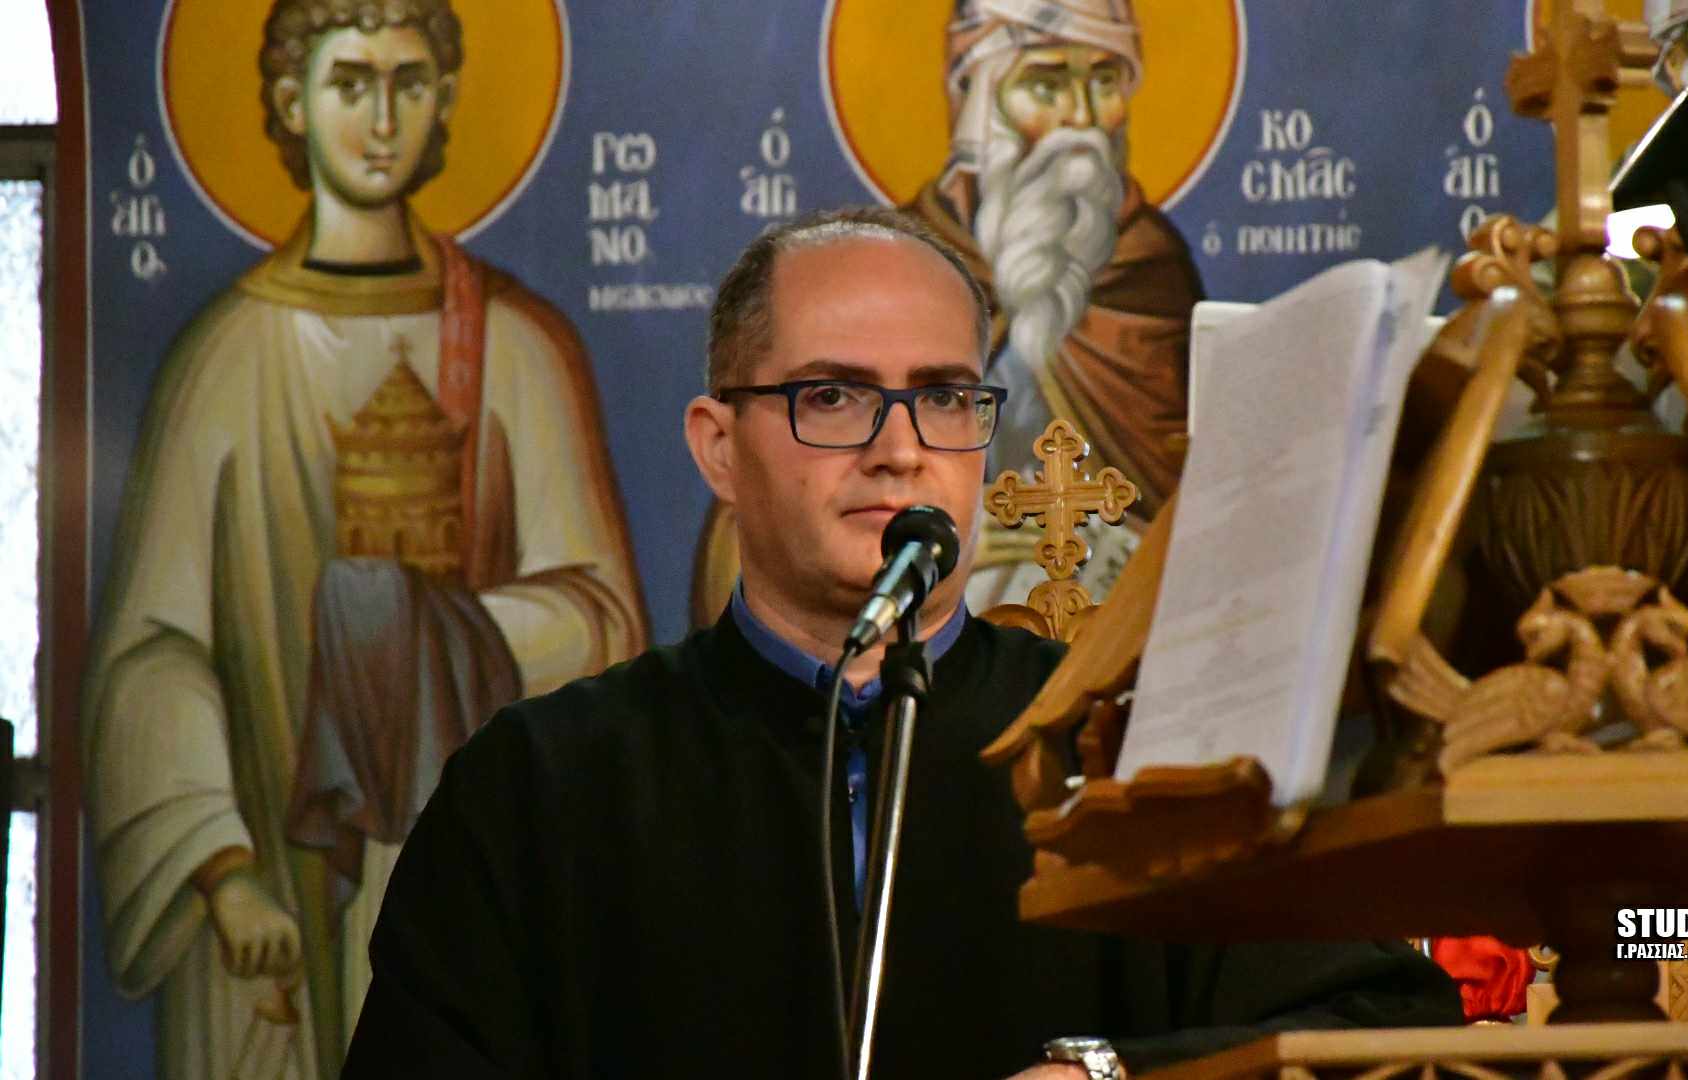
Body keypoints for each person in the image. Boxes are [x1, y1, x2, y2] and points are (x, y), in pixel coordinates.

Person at [343, 207, 1460, 1079]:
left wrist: (1109, 1076)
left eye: (944, 398)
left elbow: (1380, 1027)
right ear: (719, 448)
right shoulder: (540, 785)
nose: (899, 449)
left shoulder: (1131, 747)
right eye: (833, 395)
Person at [83, 2, 645, 1076]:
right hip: (268, 893)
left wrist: (423, 636)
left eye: (408, 82)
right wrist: (222, 869)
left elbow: (603, 620)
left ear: (444, 100)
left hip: (467, 878)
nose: (381, 120)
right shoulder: (226, 359)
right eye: (350, 83)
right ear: (291, 101)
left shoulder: (519, 348)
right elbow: (154, 653)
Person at [906, 0, 1204, 612]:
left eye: (1105, 81)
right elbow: (793, 505)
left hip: (1120, 629)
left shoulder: (1151, 276)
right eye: (1045, 85)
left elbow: (1194, 498)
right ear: (977, 100)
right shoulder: (896, 269)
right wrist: (924, 544)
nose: (1083, 119)